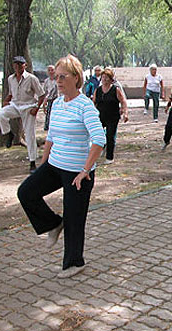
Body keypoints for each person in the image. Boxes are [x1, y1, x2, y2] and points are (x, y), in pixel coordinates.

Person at [17, 54, 106, 279]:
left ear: (76, 78)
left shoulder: (85, 105)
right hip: (56, 165)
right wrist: (43, 166)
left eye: (63, 77)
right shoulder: (56, 104)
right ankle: (53, 224)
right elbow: (52, 137)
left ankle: (74, 263)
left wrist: (85, 170)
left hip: (78, 172)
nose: (58, 81)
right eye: (56, 77)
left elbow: (99, 140)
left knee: (75, 220)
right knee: (26, 192)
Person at [0, 56, 46, 174]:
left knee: (30, 134)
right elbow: (11, 93)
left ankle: (32, 162)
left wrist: (36, 108)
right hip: (15, 105)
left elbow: (41, 95)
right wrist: (6, 100)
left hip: (28, 107)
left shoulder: (31, 78)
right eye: (15, 64)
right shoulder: (11, 79)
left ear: (25, 65)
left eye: (20, 64)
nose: (18, 67)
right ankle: (8, 134)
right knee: (1, 114)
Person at [93, 67, 128, 164]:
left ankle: (109, 157)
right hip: (100, 116)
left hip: (113, 116)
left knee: (110, 136)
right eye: (103, 77)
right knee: (98, 135)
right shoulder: (98, 90)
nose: (104, 79)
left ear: (110, 79)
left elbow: (123, 101)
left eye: (106, 77)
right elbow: (94, 103)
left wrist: (125, 112)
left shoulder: (115, 90)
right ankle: (98, 151)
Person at [43, 65, 58, 131]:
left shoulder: (58, 80)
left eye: (52, 70)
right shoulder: (46, 81)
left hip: (57, 99)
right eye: (49, 70)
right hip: (50, 100)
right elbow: (45, 92)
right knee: (49, 114)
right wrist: (44, 101)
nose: (51, 72)